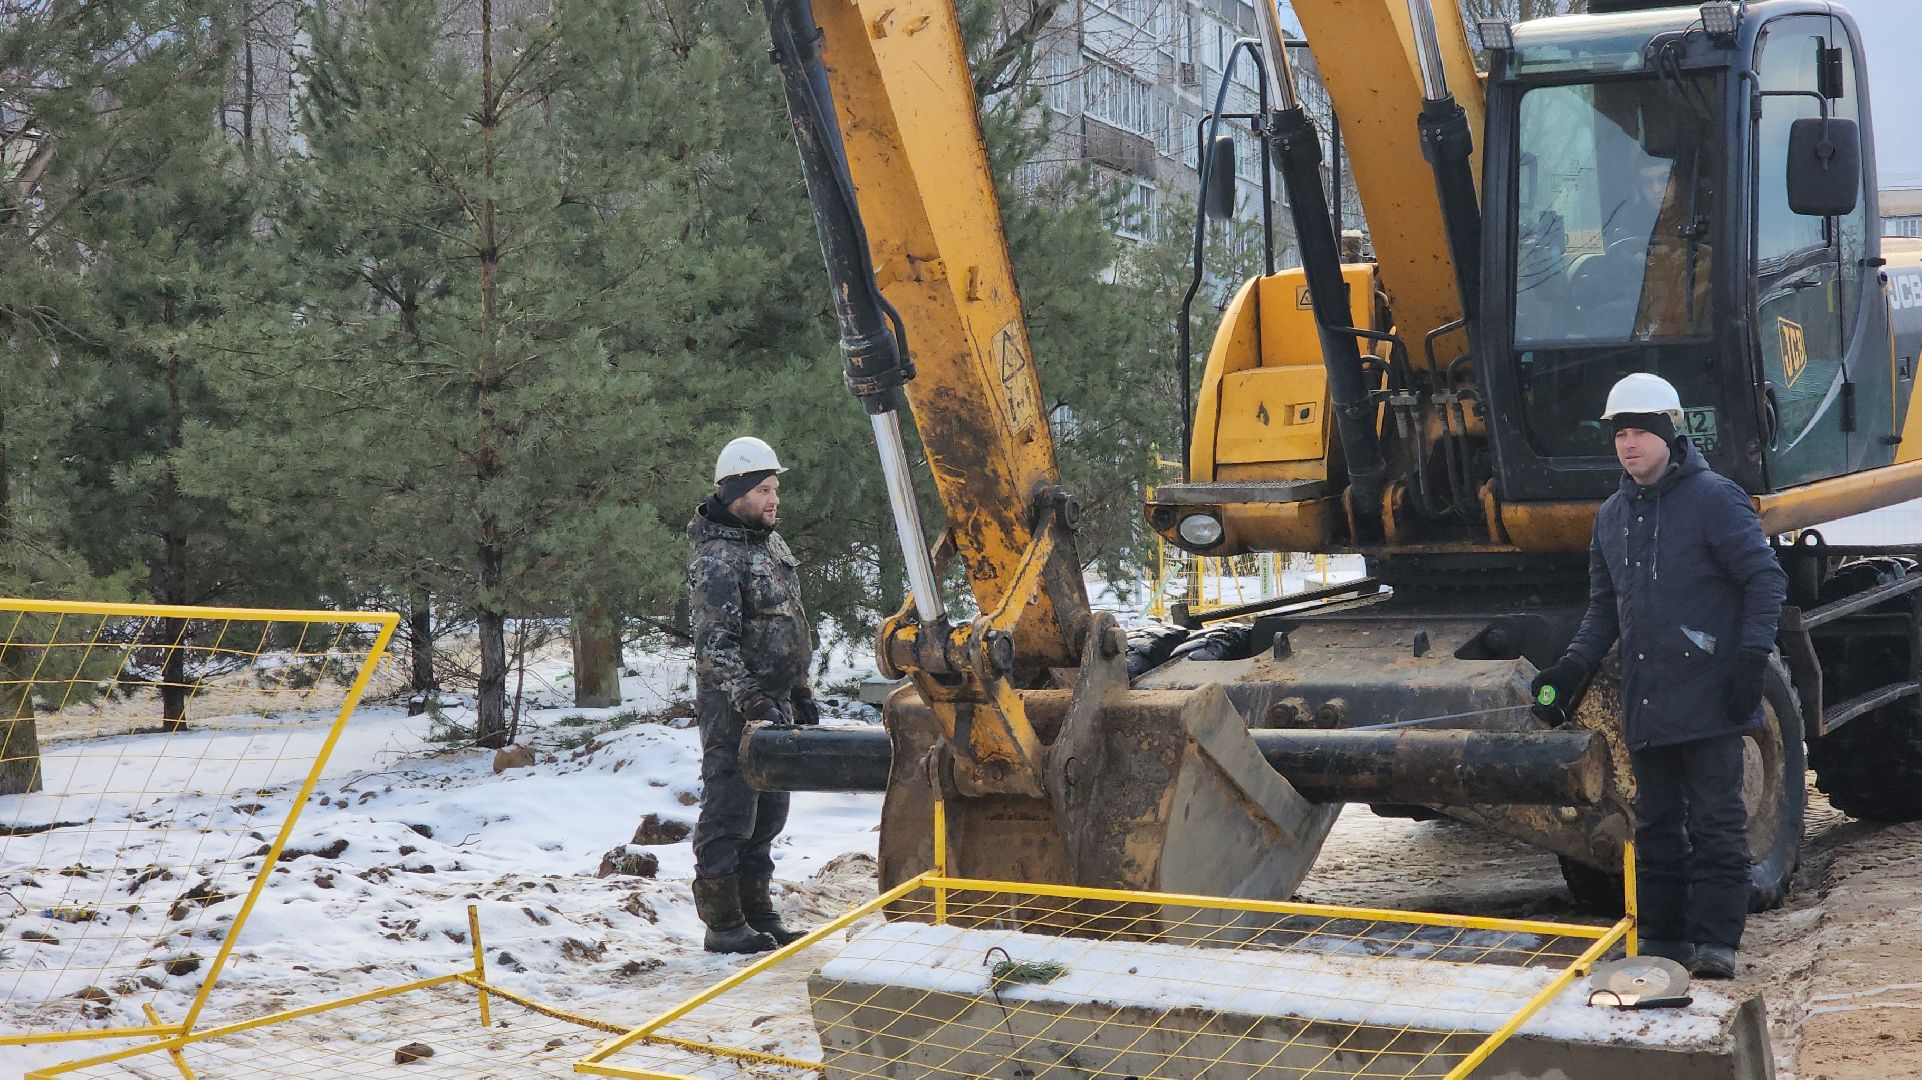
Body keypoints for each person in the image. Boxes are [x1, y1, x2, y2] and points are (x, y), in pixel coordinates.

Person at [1530, 373, 1787, 981]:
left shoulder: (1715, 499)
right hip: (1648, 707)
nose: (1629, 444)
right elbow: (1603, 610)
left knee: (1718, 824)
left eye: (1641, 431)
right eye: (1620, 433)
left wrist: (1751, 659)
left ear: (1670, 433)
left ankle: (1717, 940)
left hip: (1711, 699)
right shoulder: (1611, 517)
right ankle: (1665, 939)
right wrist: (1569, 672)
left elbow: (1765, 579)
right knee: (1655, 830)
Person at [685, 436, 820, 954]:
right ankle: (724, 924)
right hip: (733, 710)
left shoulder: (769, 545)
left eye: (776, 489)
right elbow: (713, 648)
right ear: (737, 491)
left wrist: (800, 691)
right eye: (764, 489)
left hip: (777, 702)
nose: (773, 500)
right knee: (730, 811)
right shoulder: (717, 558)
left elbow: (791, 625)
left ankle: (759, 912)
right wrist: (752, 701)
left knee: (770, 813)